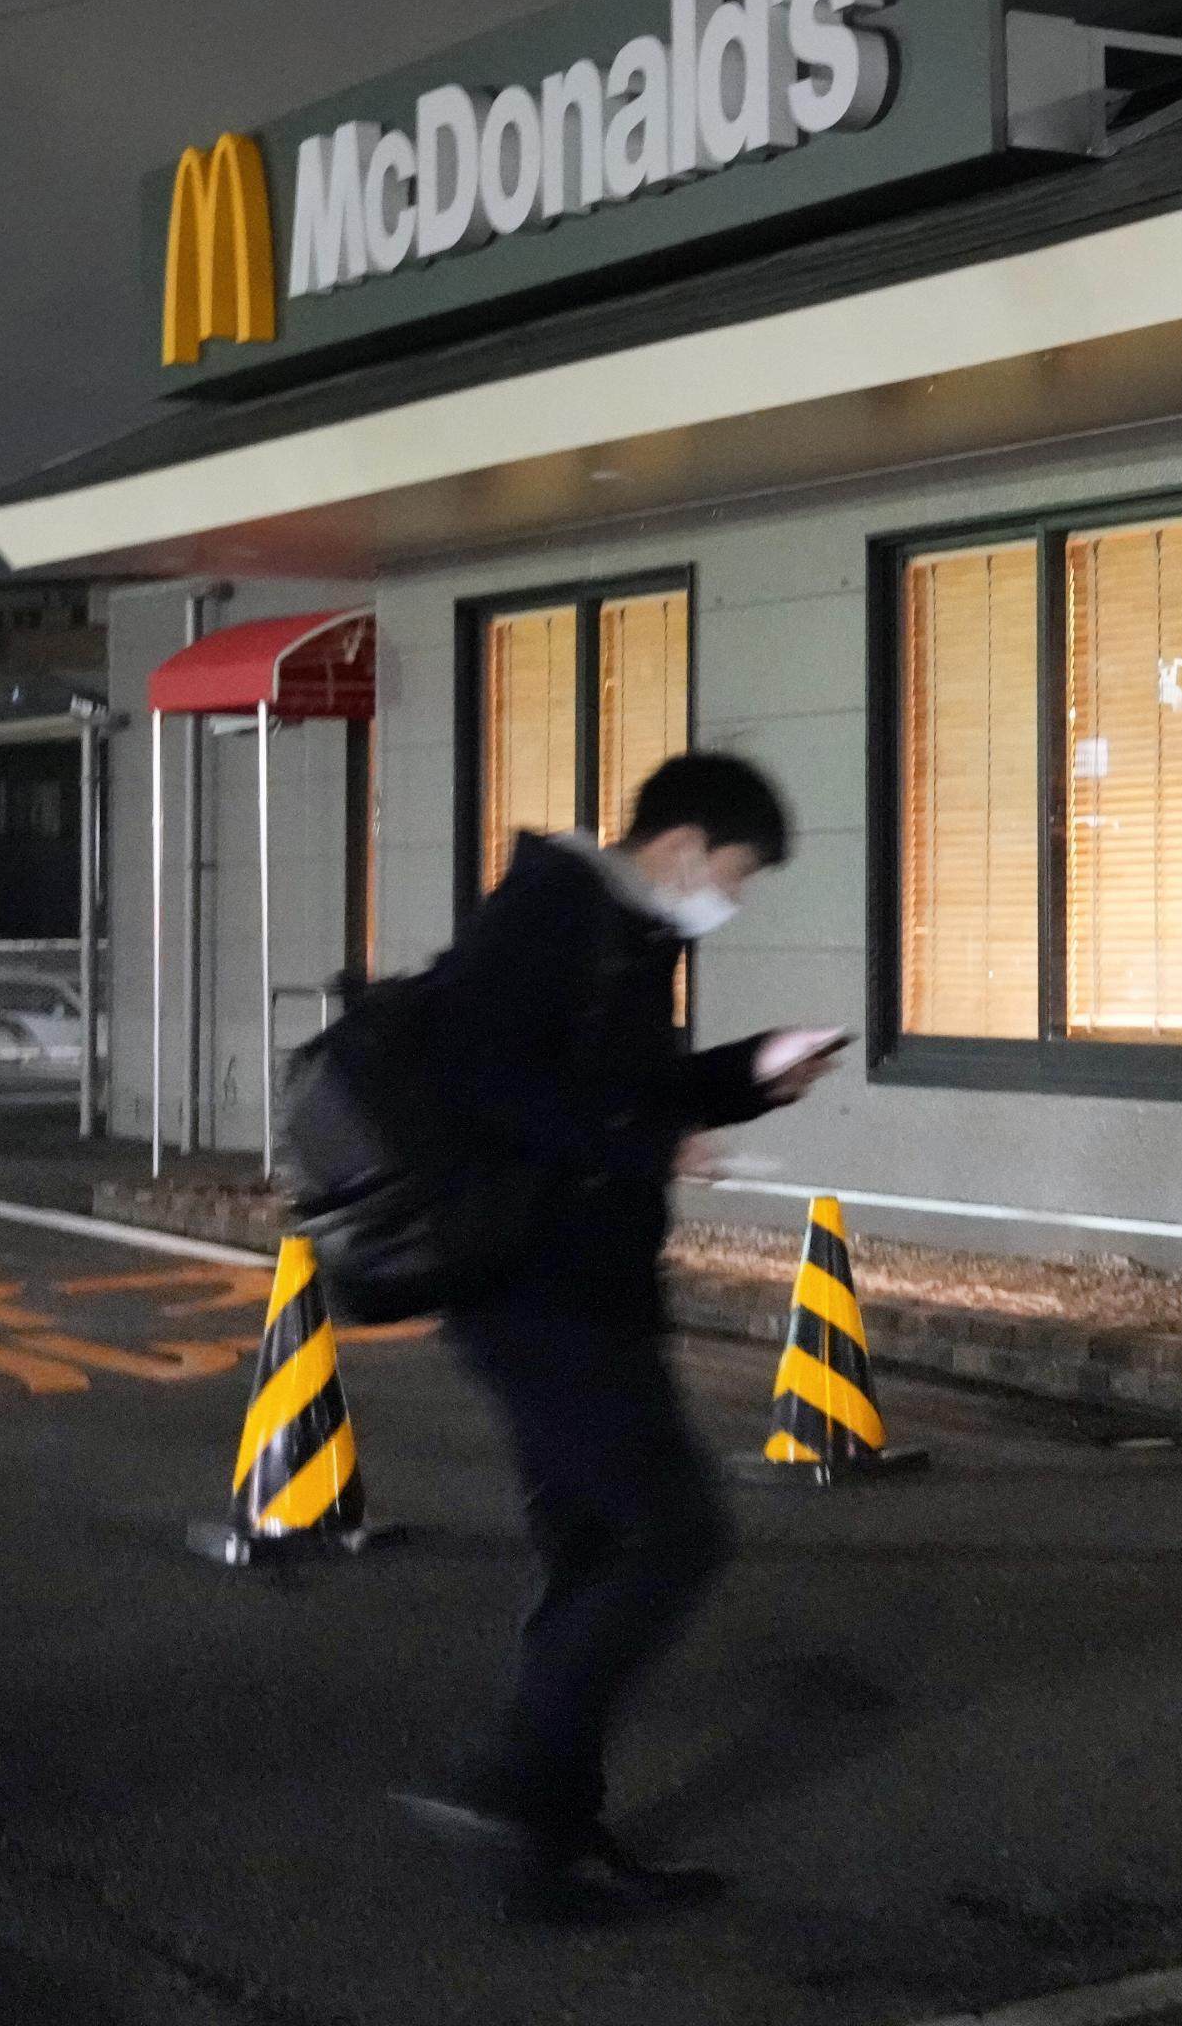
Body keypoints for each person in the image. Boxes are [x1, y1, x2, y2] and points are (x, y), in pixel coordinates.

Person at [402, 752, 836, 1922]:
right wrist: (643, 1150)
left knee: (598, 1548)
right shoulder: (551, 913)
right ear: (685, 846)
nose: (729, 902)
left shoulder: (629, 938)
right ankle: (511, 1785)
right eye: (733, 877)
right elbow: (486, 1082)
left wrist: (751, 1073)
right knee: (671, 1533)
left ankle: (548, 1836)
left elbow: (621, 1092)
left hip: (584, 1290)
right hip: (532, 1292)